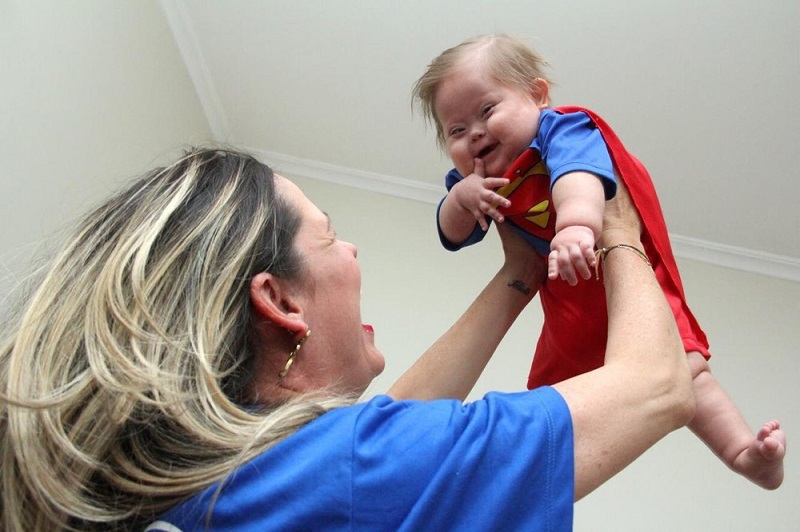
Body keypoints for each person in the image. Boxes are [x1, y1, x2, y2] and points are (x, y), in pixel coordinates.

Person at [0, 147, 694, 530]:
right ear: (278, 301)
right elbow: (657, 387)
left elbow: (388, 452)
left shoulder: (221, 491)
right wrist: (617, 227)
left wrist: (520, 273)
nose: (352, 249)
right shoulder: (340, 472)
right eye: (329, 234)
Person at [412, 34, 785, 491]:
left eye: (488, 111)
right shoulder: (477, 179)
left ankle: (742, 453)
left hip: (611, 267)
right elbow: (453, 235)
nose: (474, 133)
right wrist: (459, 198)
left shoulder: (562, 129)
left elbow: (580, 174)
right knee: (558, 398)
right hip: (569, 298)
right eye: (455, 130)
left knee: (686, 369)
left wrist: (575, 226)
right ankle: (532, 485)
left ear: (538, 95)